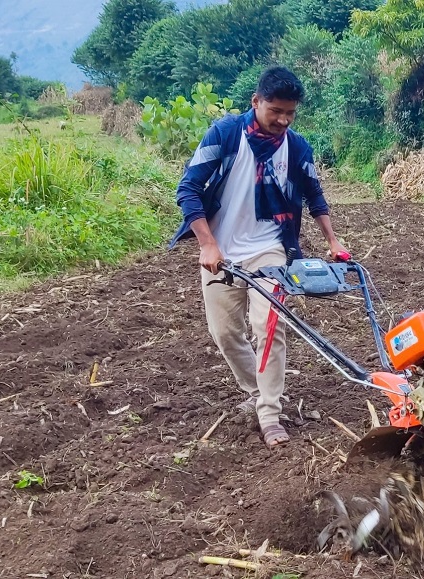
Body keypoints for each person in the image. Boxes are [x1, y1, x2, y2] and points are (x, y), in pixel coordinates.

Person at [169, 66, 348, 448]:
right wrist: (207, 244)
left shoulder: (296, 147)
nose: (283, 120)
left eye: (290, 113)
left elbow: (314, 195)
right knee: (225, 333)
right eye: (275, 111)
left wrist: (332, 240)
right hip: (222, 250)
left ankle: (270, 412)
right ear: (256, 102)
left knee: (269, 325)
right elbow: (188, 190)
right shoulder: (225, 134)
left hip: (271, 248)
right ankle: (256, 389)